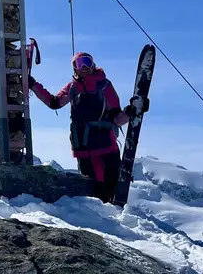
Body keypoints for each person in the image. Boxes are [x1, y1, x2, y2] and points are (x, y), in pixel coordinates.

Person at [28, 51, 130, 203]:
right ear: (74, 68)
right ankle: (102, 221)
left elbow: (117, 118)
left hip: (105, 147)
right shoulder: (72, 87)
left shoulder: (104, 86)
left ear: (93, 65)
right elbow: (54, 102)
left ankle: (117, 218)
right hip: (83, 148)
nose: (83, 67)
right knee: (92, 190)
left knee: (111, 186)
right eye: (79, 63)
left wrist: (131, 112)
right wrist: (33, 85)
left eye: (87, 62)